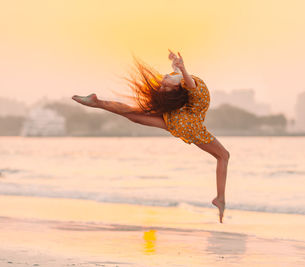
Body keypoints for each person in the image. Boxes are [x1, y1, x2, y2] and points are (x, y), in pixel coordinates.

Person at [72, 50, 229, 223]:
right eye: (164, 85)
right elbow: (188, 82)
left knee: (134, 115)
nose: (162, 84)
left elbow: (181, 76)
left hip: (182, 119)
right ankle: (220, 198)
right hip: (189, 124)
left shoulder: (179, 79)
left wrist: (177, 64)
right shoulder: (186, 85)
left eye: (164, 85)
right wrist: (181, 67)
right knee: (224, 156)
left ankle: (97, 102)